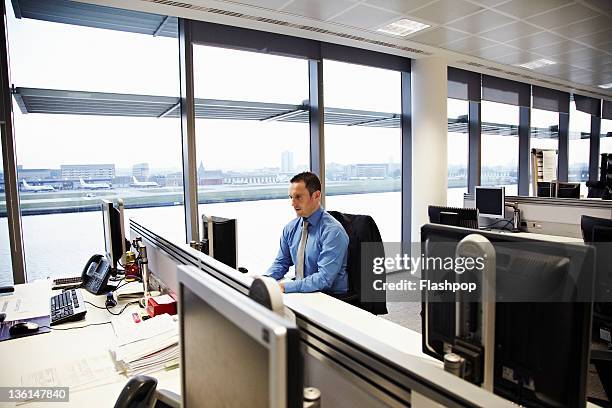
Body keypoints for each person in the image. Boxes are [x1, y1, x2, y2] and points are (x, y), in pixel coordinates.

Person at [266, 172, 349, 294]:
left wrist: (286, 287)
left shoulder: (333, 231)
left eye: (298, 197)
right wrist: (265, 280)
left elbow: (324, 278)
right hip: (304, 292)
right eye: (291, 197)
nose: (293, 204)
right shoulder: (290, 228)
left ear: (316, 195)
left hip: (331, 298)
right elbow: (281, 263)